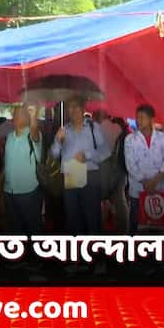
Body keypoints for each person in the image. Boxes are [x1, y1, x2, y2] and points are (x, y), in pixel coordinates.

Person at [51, 96, 111, 235]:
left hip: (91, 176)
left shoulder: (93, 127)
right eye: (69, 107)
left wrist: (87, 155)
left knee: (92, 218)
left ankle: (94, 248)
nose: (72, 110)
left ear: (83, 109)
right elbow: (53, 155)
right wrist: (58, 142)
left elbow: (106, 152)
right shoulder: (63, 130)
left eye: (75, 107)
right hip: (71, 174)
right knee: (73, 217)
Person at [0, 104, 42, 235]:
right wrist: (0, 180)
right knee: (15, 228)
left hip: (28, 192)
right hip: (9, 191)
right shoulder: (10, 137)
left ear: (26, 118)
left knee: (33, 228)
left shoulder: (33, 135)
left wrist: (34, 118)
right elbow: (8, 162)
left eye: (18, 114)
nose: (14, 117)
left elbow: (35, 133)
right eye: (14, 114)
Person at [124, 105, 164, 233]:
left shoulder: (163, 138)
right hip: (138, 190)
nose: (138, 120)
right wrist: (145, 182)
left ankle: (156, 252)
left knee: (157, 227)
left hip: (158, 189)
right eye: (137, 117)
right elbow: (130, 165)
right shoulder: (130, 140)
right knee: (136, 226)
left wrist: (155, 181)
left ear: (151, 120)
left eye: (142, 117)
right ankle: (134, 251)